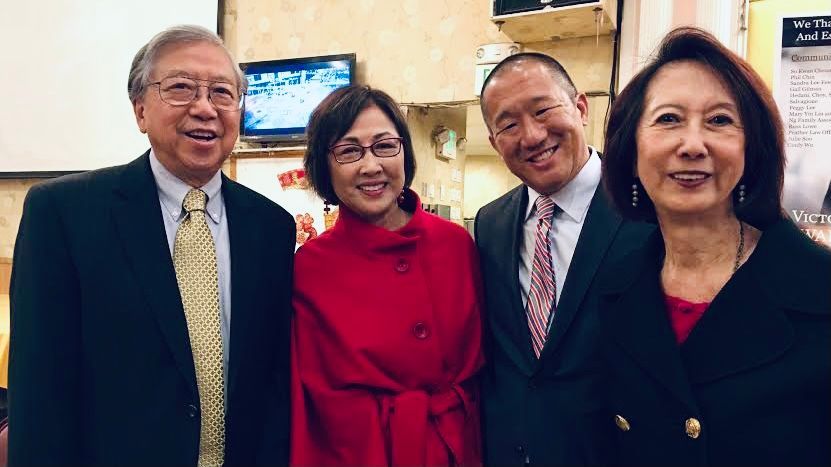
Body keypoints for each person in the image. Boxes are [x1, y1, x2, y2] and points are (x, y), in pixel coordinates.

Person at [9, 25, 295, 465]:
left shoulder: (272, 227)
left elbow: (273, 381)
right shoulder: (63, 214)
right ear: (140, 110)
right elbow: (39, 387)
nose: (205, 108)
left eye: (222, 92)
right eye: (180, 88)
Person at [600, 27, 831, 466]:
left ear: (751, 148)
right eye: (668, 119)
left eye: (719, 120)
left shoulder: (819, 288)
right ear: (630, 148)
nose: (692, 145)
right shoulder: (616, 289)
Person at [290, 85, 484, 466]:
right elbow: (306, 403)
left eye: (384, 145)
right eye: (348, 151)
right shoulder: (309, 266)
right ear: (324, 166)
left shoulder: (457, 245)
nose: (371, 166)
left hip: (460, 448)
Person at [475, 52, 652, 465]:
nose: (532, 136)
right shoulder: (490, 223)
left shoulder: (647, 209)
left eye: (543, 110)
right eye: (508, 125)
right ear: (494, 141)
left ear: (581, 107)